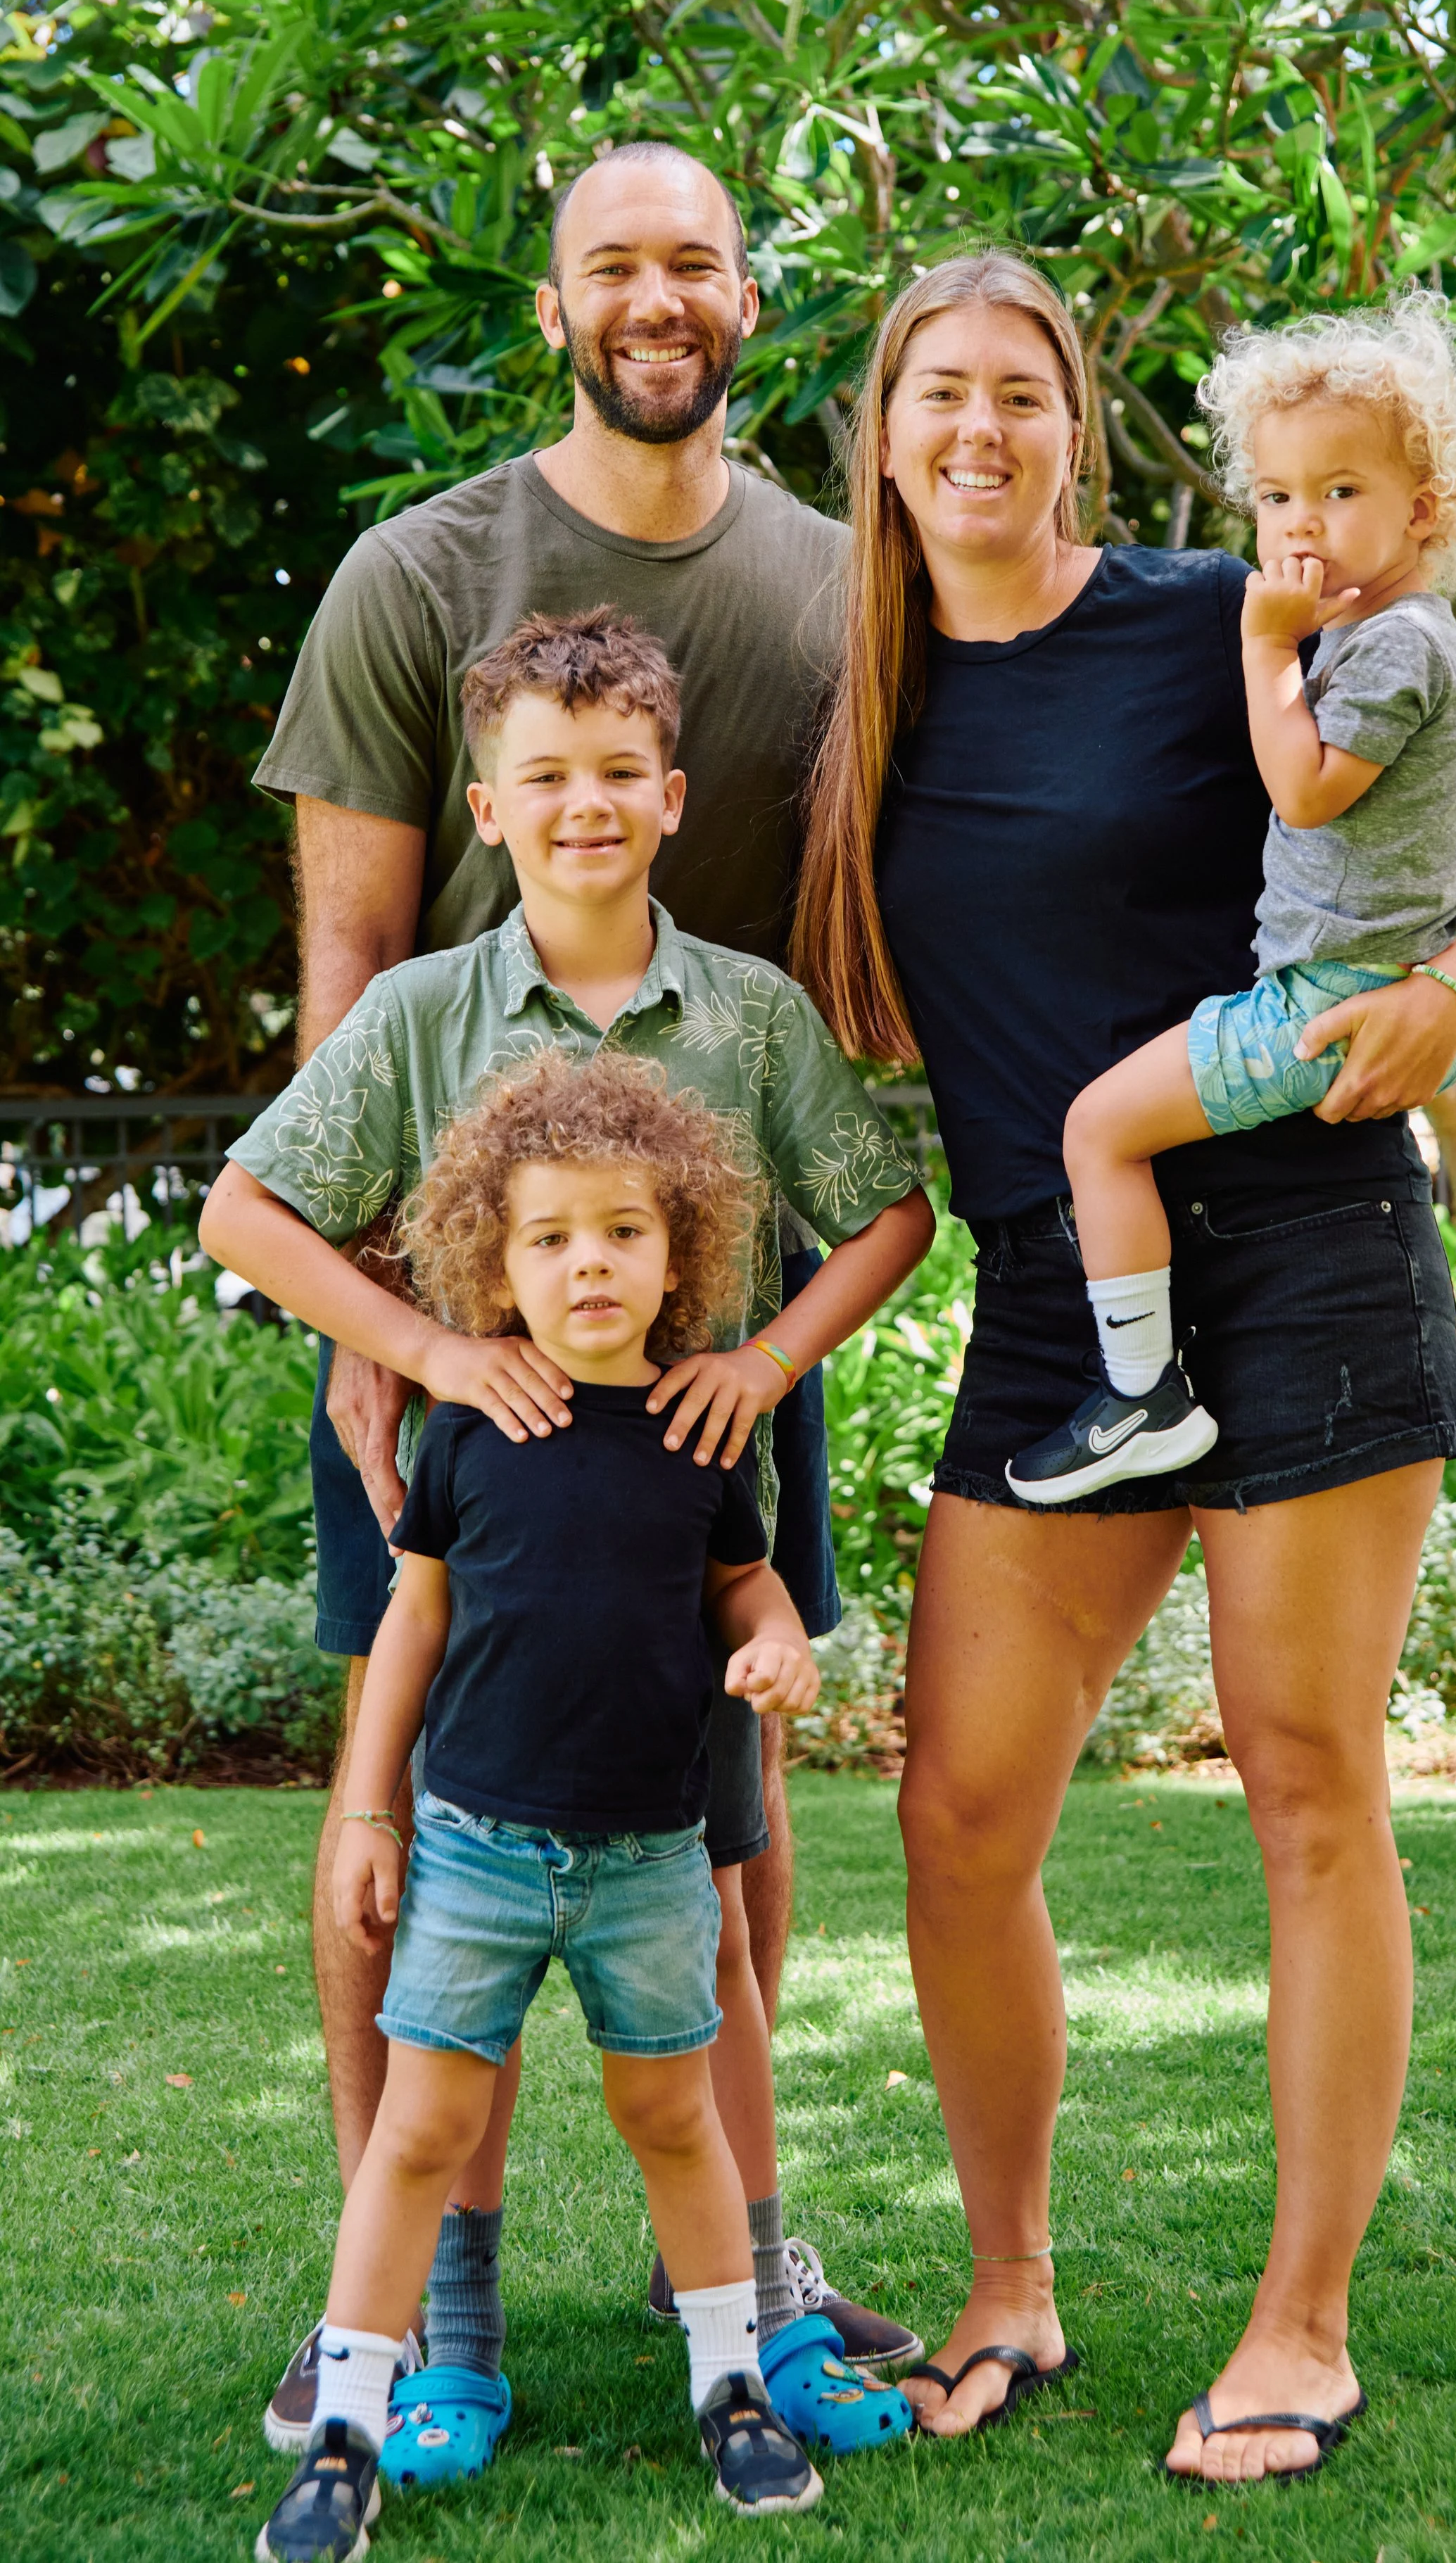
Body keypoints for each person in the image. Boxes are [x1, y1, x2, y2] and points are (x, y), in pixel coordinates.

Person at [792, 253, 1456, 2479]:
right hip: (1056, 1275)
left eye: (1020, 391)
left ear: (1073, 426)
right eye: (939, 392)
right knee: (956, 1807)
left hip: (1299, 1239)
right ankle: (1007, 2282)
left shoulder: (1235, 605)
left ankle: (1298, 2323)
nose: (980, 428)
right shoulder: (869, 685)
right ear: (887, 432)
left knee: (1308, 1783)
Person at [248, 137, 923, 2429]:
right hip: (447, 1320)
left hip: (712, 1326)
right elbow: (348, 968)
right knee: (421, 1767)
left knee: (721, 1781)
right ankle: (426, 2290)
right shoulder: (417, 574)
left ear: (753, 299)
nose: (656, 296)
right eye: (611, 264)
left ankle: (721, 2251)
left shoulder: (846, 595)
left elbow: (860, 961)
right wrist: (382, 1332)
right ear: (555, 305)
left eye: (695, 261)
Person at [251, 1050, 868, 2561]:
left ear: (680, 1259)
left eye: (621, 1232)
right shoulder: (470, 1430)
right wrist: (365, 1816)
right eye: (548, 1238)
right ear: (493, 1259)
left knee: (672, 2115)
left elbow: (742, 1582)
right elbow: (412, 1621)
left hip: (651, 1856)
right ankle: (349, 2417)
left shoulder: (701, 1430)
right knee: (420, 2131)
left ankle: (730, 2385)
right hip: (471, 1847)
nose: (587, 1261)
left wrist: (777, 1639)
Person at [1008, 294, 1456, 1505]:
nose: (1304, 524)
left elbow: (1302, 792)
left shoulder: (1396, 644)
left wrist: (1260, 645)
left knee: (1097, 1129)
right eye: (1280, 496)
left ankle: (1140, 1391)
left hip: (1328, 1004)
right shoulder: (1383, 635)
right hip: (1341, 987)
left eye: (1341, 492)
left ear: (1423, 509)